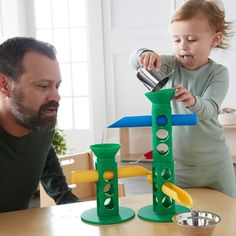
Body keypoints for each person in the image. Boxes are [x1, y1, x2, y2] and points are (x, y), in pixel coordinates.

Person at [129, 0, 235, 198]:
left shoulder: (218, 73)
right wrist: (144, 54)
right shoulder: (169, 65)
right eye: (176, 40)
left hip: (216, 166)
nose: (183, 47)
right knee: (170, 213)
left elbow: (211, 109)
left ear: (215, 39)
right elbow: (133, 61)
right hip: (178, 166)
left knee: (231, 214)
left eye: (192, 39)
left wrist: (193, 101)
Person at [0, 37, 80, 212]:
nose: (56, 97)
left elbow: (44, 154)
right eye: (43, 86)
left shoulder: (38, 122)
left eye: (57, 86)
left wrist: (67, 200)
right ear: (5, 85)